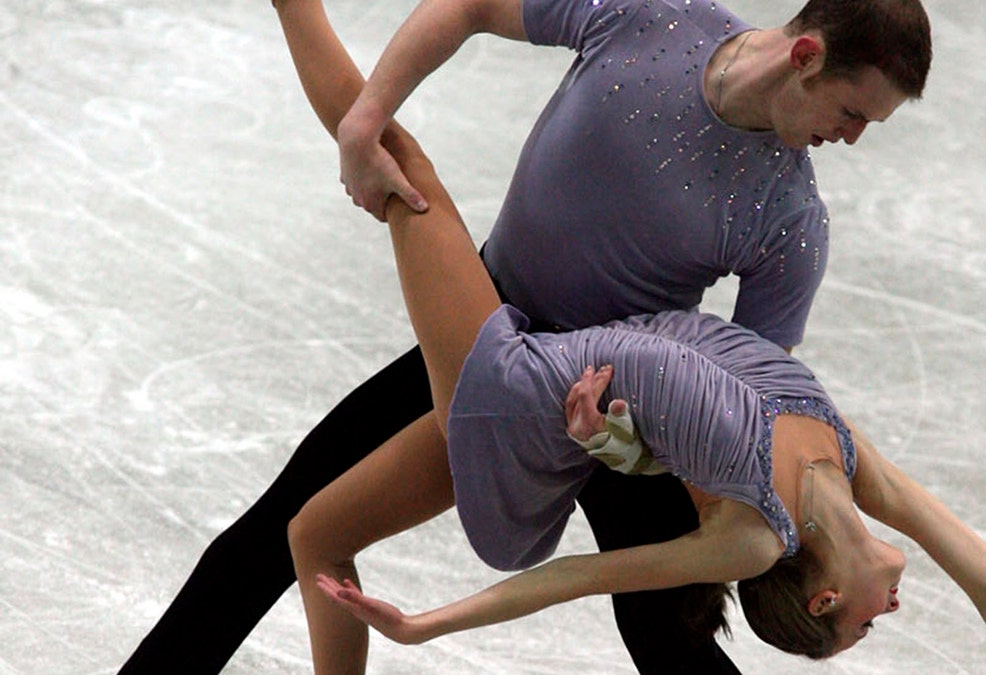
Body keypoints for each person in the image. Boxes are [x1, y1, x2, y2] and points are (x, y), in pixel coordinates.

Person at [119, 0, 933, 672]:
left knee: (670, 638)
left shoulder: (790, 219)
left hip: (625, 408)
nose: (853, 139)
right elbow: (469, 6)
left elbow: (748, 414)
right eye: (854, 111)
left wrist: (623, 445)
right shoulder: (652, 21)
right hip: (486, 344)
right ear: (805, 56)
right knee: (275, 535)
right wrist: (364, 124)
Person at [300, 117, 986, 673]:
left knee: (396, 164)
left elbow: (572, 578)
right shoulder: (848, 461)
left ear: (825, 596)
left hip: (513, 392)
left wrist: (423, 627)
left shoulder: (751, 538)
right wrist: (610, 443)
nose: (893, 614)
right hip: (569, 349)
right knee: (312, 531)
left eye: (865, 628)